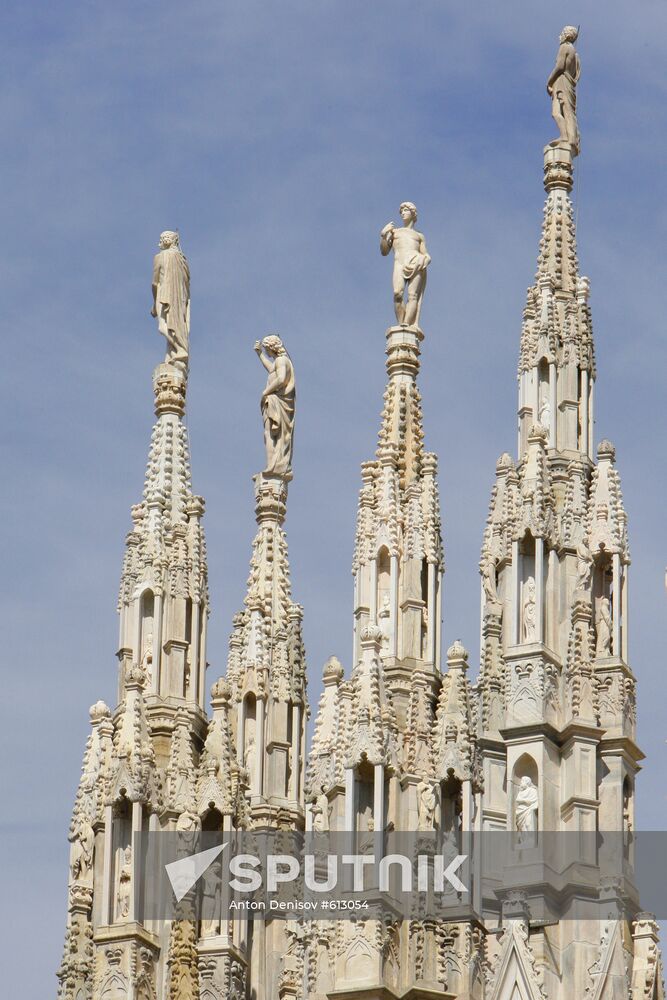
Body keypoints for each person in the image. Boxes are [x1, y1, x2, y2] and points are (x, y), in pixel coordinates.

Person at [380, 202, 431, 327]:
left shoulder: (419, 236)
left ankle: (406, 325)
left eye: (406, 210)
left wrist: (425, 259)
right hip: (400, 263)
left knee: (413, 295)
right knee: (397, 294)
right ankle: (401, 323)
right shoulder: (395, 232)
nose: (403, 213)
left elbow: (426, 254)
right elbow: (384, 251)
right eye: (401, 211)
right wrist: (383, 235)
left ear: (413, 213)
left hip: (415, 261)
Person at [254, 336, 296, 475]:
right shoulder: (281, 361)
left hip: (276, 402)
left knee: (271, 434)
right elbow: (272, 369)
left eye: (266, 350)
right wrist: (259, 354)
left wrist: (265, 392)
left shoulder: (281, 361)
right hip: (276, 401)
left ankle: (273, 466)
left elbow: (281, 378)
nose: (267, 352)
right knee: (274, 435)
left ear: (272, 347)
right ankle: (273, 464)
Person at [151, 231, 191, 366]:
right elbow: (186, 284)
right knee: (175, 325)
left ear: (168, 240)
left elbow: (155, 283)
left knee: (163, 327)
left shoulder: (159, 257)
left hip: (164, 295)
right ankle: (172, 353)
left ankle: (180, 349)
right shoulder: (182, 259)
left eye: (162, 239)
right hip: (180, 300)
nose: (159, 242)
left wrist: (154, 305)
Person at [546, 26, 581, 155]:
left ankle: (565, 136)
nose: (559, 36)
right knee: (568, 111)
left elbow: (560, 66)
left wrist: (549, 81)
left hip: (561, 82)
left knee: (556, 112)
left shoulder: (564, 47)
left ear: (566, 35)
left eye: (561, 33)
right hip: (568, 84)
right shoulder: (575, 55)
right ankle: (570, 137)